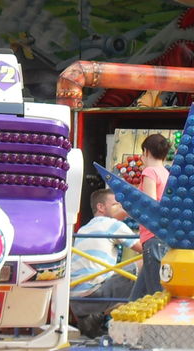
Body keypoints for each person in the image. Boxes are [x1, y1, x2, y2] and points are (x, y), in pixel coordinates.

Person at [69, 189, 135, 337]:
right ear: (101, 207)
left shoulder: (84, 228)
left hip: (75, 300)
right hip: (95, 295)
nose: (120, 208)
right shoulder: (112, 224)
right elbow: (146, 249)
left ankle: (99, 316)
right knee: (146, 263)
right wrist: (134, 214)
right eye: (116, 205)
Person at [127, 133, 172, 299]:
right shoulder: (166, 173)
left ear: (146, 151)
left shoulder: (150, 172)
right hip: (164, 236)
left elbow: (150, 203)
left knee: (156, 295)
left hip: (152, 237)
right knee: (137, 298)